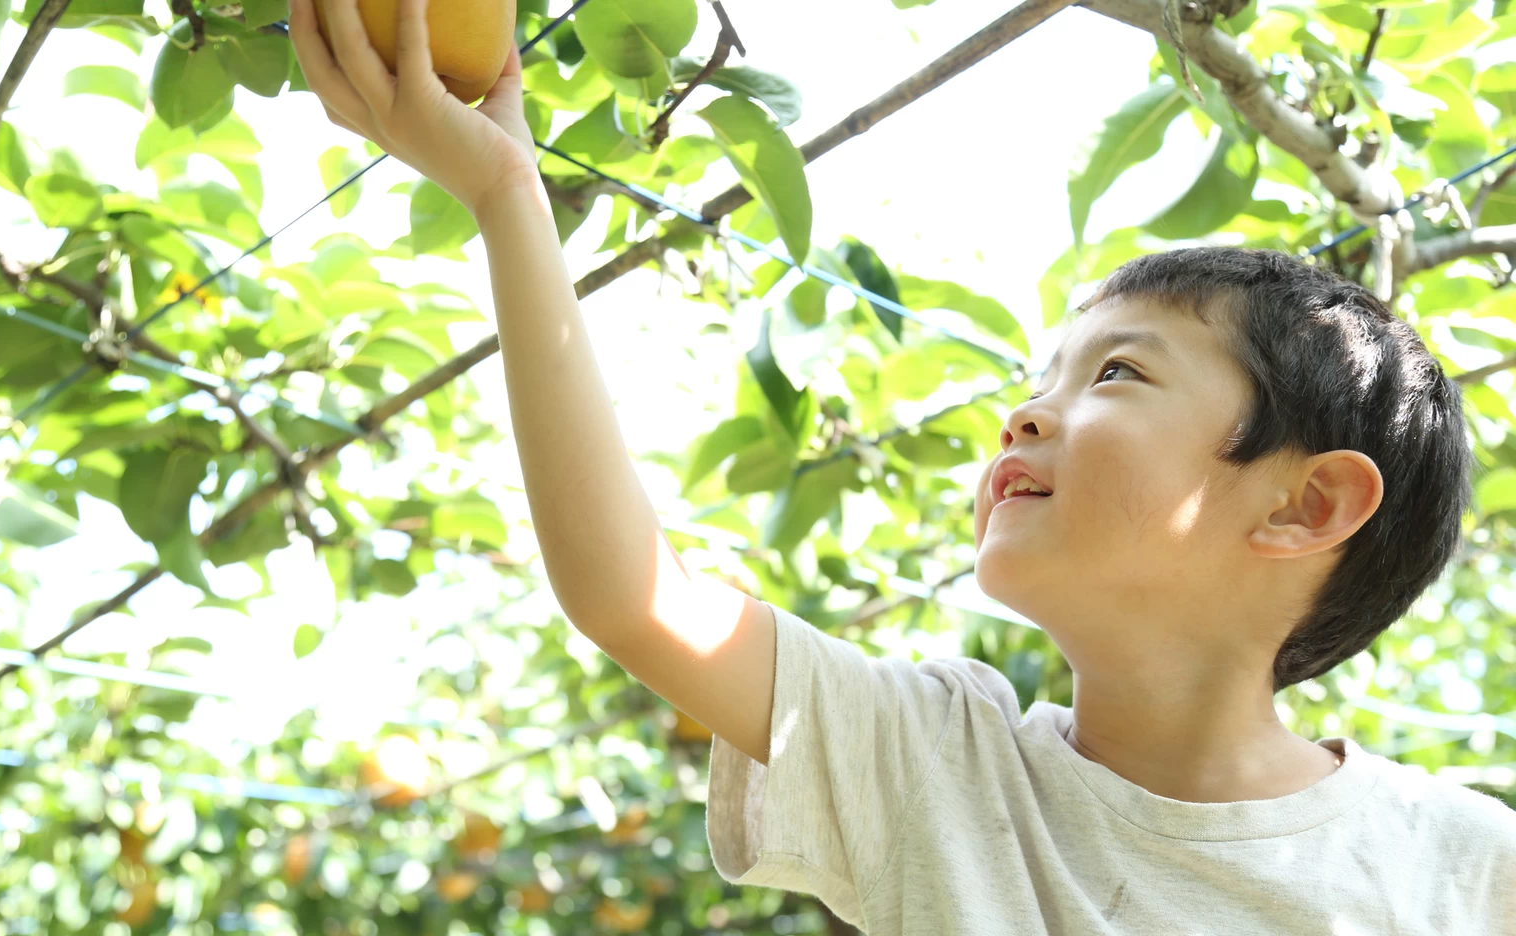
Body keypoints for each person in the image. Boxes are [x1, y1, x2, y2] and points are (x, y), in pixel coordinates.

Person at [288, 2, 1516, 931]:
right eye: (1037, 380)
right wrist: (508, 192)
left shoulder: (1463, 865)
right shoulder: (940, 758)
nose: (1019, 420)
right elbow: (631, 594)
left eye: (1116, 376)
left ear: (1306, 504)